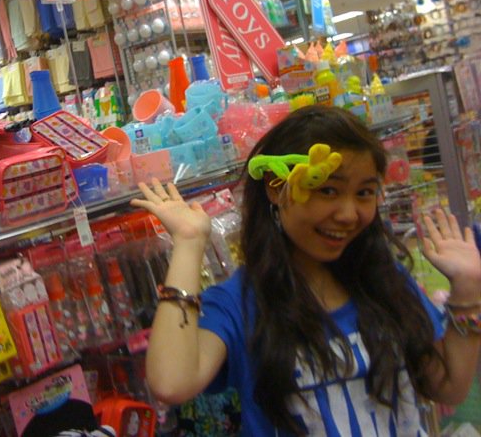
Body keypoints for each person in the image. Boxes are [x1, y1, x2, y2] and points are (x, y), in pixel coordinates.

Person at [130, 105, 481, 436]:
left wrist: (468, 288)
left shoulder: (384, 282)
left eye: (364, 192)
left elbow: (446, 386)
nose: (349, 213)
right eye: (327, 190)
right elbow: (171, 383)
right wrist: (189, 243)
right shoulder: (241, 303)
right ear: (276, 188)